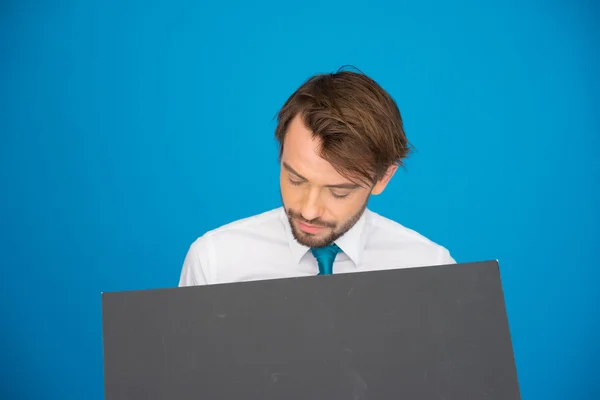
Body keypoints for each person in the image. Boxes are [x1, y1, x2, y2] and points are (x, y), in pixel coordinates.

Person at [178, 68, 454, 286]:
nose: (308, 211)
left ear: (383, 178)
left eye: (339, 192)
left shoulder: (433, 269)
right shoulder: (215, 262)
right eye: (295, 179)